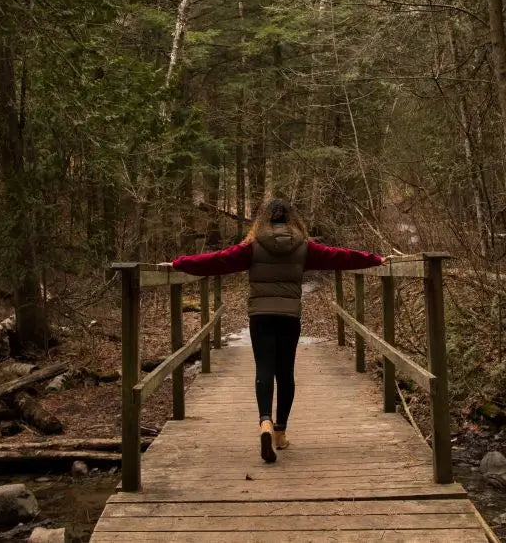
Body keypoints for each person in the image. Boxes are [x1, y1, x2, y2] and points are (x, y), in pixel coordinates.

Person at [164, 198, 384, 463]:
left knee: (264, 369)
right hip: (289, 317)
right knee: (285, 372)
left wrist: (180, 263)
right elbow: (340, 257)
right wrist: (375, 260)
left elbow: (217, 261)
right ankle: (280, 432)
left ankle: (264, 422)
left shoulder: (252, 247)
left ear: (264, 219)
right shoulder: (303, 248)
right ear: (292, 219)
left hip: (261, 316)